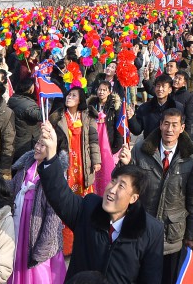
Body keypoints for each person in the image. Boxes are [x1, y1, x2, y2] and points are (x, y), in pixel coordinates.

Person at [36, 119, 164, 284]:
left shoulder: (151, 231)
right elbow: (60, 195)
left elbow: (150, 279)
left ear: (133, 198)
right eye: (113, 181)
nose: (112, 189)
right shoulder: (89, 208)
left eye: (121, 186)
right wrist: (51, 153)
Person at [118, 108, 193, 284]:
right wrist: (123, 164)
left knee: (168, 279)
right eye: (166, 124)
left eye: (174, 125)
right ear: (160, 125)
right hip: (142, 227)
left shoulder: (192, 156)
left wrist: (191, 234)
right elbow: (125, 184)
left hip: (172, 234)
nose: (169, 129)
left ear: (182, 128)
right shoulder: (141, 149)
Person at [9, 133, 69, 284]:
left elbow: (52, 216)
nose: (36, 147)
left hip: (38, 237)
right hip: (19, 229)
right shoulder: (26, 165)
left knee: (38, 274)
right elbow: (11, 190)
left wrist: (42, 249)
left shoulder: (56, 177)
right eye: (37, 143)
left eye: (42, 145)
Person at [51, 85, 102, 256]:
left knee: (84, 204)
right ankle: (66, 246)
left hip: (83, 165)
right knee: (66, 203)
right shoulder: (57, 117)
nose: (69, 97)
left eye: (73, 95)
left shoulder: (87, 117)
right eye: (68, 94)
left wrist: (96, 161)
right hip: (66, 165)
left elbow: (94, 141)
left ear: (80, 99)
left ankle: (84, 242)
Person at [89, 80, 123, 196]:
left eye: (104, 90)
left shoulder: (115, 106)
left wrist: (116, 147)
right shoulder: (91, 105)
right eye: (99, 89)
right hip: (94, 143)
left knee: (107, 174)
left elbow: (118, 127)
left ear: (109, 92)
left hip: (109, 144)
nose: (101, 92)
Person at [127, 75, 181, 139]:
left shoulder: (177, 107)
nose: (160, 89)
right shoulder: (144, 108)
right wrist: (131, 118)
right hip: (149, 145)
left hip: (170, 145)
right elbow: (137, 131)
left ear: (170, 90)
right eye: (158, 86)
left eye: (163, 86)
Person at [9, 75, 45, 162]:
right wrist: (48, 102)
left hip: (18, 140)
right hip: (27, 143)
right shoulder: (27, 104)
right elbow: (40, 116)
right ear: (31, 89)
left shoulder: (14, 98)